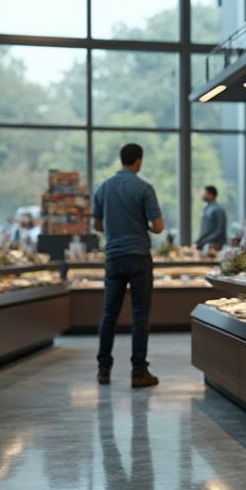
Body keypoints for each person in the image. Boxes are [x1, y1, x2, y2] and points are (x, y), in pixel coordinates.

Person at [93, 143, 164, 388]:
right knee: (140, 315)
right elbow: (158, 227)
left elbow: (97, 226)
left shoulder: (103, 188)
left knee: (109, 314)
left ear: (122, 160)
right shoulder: (144, 188)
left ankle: (104, 369)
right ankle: (138, 372)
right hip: (139, 257)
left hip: (113, 257)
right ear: (139, 162)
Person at [195, 185, 227, 252]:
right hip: (205, 245)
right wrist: (199, 241)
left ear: (211, 195)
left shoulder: (218, 209)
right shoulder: (207, 209)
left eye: (204, 193)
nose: (202, 195)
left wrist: (205, 241)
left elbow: (220, 230)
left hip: (214, 246)